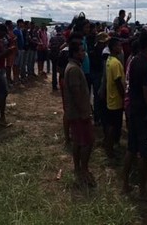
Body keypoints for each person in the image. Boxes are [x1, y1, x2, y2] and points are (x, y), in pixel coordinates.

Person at [122, 30, 147, 199]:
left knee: (131, 148)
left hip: (132, 109)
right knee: (144, 153)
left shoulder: (134, 60)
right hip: (142, 111)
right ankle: (142, 190)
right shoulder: (145, 64)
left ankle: (125, 184)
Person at [64, 40, 95, 188]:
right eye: (82, 51)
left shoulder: (74, 66)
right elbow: (76, 93)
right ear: (75, 53)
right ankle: (83, 169)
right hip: (79, 113)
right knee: (87, 142)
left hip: (76, 112)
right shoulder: (74, 69)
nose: (84, 53)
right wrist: (85, 112)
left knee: (77, 141)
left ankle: (78, 168)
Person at [103, 37, 125, 159]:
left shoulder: (109, 60)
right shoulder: (115, 63)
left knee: (111, 124)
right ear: (113, 47)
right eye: (118, 46)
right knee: (113, 125)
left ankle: (109, 145)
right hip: (116, 99)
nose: (120, 48)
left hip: (111, 98)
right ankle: (109, 149)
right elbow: (118, 82)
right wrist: (123, 96)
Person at [48, 26, 66, 92]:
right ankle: (61, 86)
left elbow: (49, 46)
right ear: (60, 31)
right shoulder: (63, 39)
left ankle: (54, 85)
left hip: (53, 56)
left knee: (54, 71)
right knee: (61, 72)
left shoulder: (52, 38)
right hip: (60, 57)